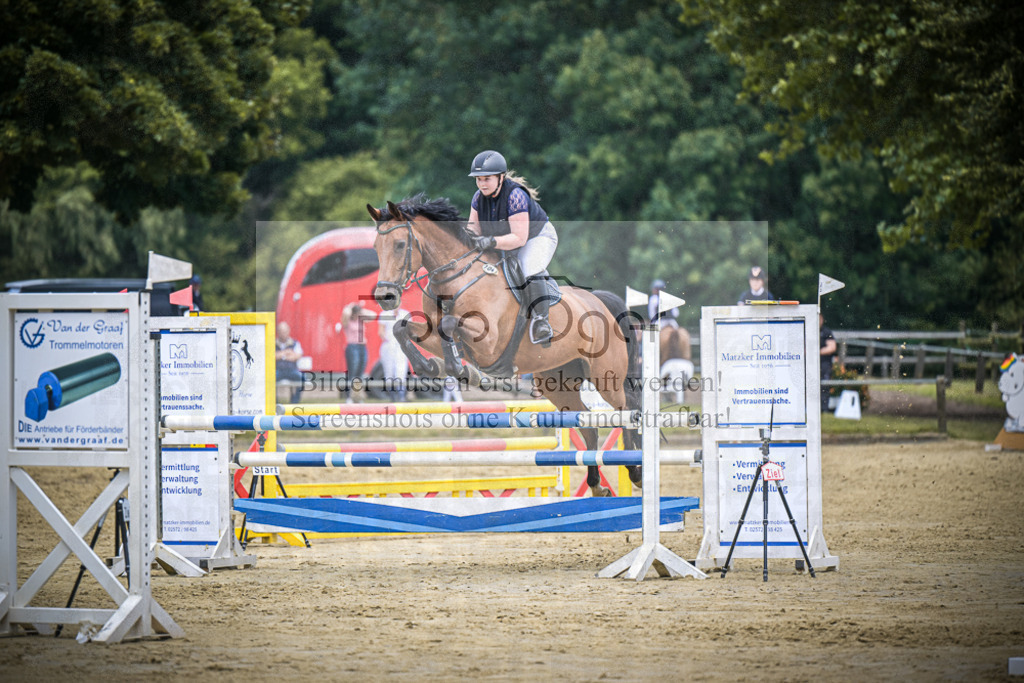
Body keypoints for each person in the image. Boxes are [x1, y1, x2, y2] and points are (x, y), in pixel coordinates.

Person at [466, 150, 558, 345]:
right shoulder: (478, 198)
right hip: (505, 242)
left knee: (528, 267)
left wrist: (490, 242)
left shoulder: (515, 195)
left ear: (500, 178)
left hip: (537, 237)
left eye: (487, 179)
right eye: (478, 179)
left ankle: (541, 322)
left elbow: (519, 238)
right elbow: (472, 230)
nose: (482, 184)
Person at [341, 301, 374, 403]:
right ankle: (349, 397)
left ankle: (357, 397)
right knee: (352, 372)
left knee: (360, 373)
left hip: (362, 347)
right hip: (352, 347)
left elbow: (372, 315)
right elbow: (345, 314)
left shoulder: (361, 320)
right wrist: (349, 306)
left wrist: (361, 309)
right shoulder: (347, 321)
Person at [379, 308, 410, 402]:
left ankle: (401, 396)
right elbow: (381, 331)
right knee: (389, 371)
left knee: (401, 371)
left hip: (400, 345)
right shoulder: (384, 314)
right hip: (389, 345)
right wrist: (388, 338)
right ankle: (392, 397)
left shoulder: (405, 314)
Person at [275, 321, 304, 403]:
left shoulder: (295, 343)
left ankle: (294, 402)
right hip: (278, 370)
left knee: (301, 379)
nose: (283, 333)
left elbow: (297, 356)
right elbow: (272, 356)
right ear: (278, 332)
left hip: (292, 370)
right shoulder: (273, 343)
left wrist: (280, 355)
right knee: (270, 380)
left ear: (288, 331)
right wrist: (287, 352)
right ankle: (275, 404)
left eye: (284, 331)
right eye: (281, 331)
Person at [819, 312, 837, 412]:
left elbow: (832, 347)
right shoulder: (809, 331)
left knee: (825, 386)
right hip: (812, 364)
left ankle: (824, 408)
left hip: (825, 364)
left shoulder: (826, 332)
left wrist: (817, 352)